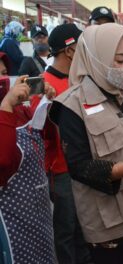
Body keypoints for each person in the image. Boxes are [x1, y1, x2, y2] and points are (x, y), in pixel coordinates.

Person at [48, 24, 123, 264]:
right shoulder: (71, 106)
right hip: (110, 226)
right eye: (119, 59)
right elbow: (79, 167)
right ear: (96, 57)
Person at [43, 23, 92, 264]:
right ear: (70, 51)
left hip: (84, 166)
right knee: (66, 230)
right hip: (61, 170)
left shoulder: (81, 80)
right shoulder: (43, 85)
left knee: (85, 228)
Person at [0, 64, 57, 263]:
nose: (3, 80)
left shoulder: (19, 112)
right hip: (13, 225)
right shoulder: (6, 111)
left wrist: (46, 103)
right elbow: (3, 161)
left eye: (5, 73)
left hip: (39, 218)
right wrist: (6, 105)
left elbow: (47, 136)